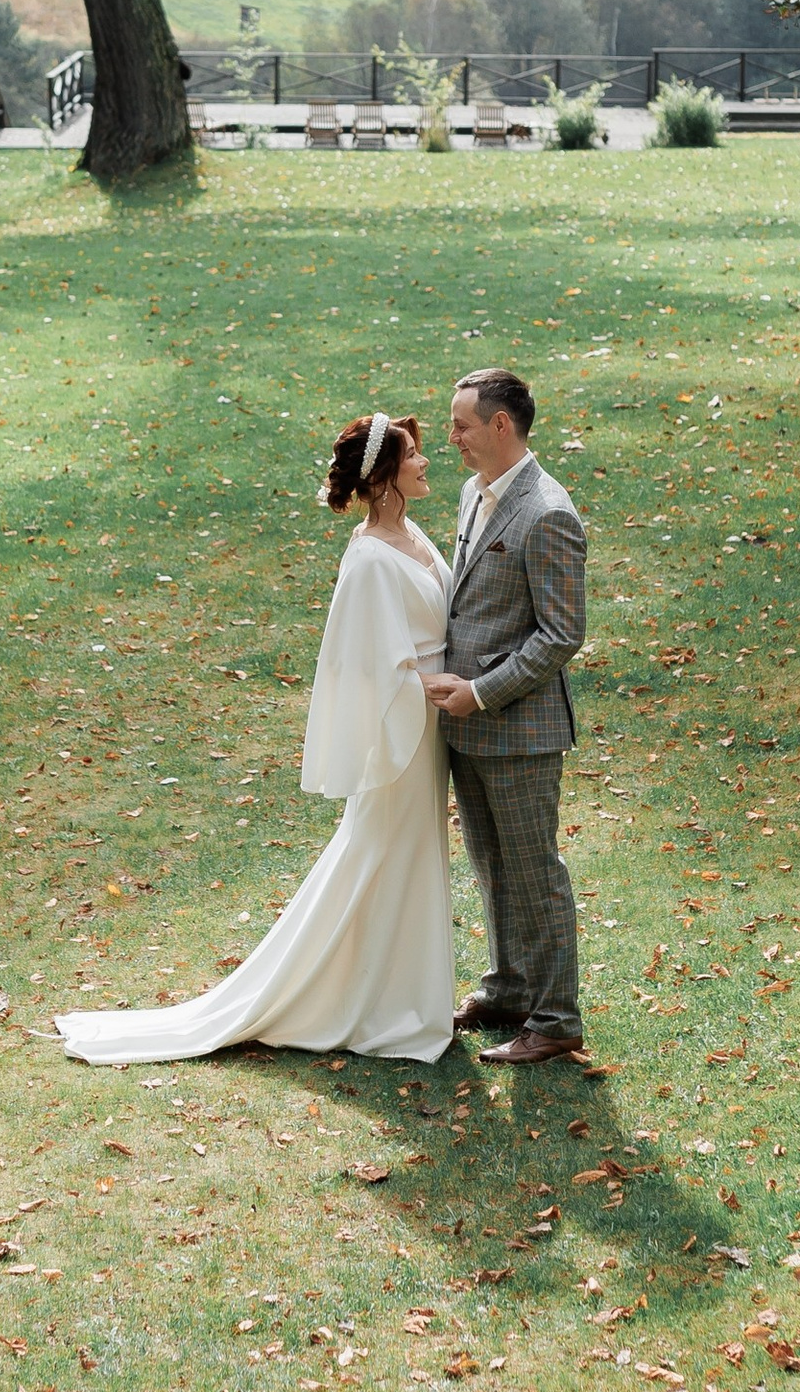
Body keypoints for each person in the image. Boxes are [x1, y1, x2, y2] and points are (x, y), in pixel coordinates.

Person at [52, 412, 456, 1066]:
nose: (425, 461)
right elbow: (362, 663)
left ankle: (401, 996)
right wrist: (429, 686)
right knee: (382, 851)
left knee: (410, 854)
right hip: (404, 727)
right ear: (385, 474)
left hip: (433, 722)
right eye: (412, 454)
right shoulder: (368, 558)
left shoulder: (412, 533)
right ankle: (362, 1003)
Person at [419, 367, 588, 1064]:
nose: (451, 438)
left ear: (499, 424)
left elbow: (561, 634)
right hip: (469, 728)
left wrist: (482, 692)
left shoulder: (548, 513)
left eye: (460, 425)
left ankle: (556, 1020)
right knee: (492, 867)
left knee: (533, 875)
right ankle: (508, 988)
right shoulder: (474, 492)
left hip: (519, 730)